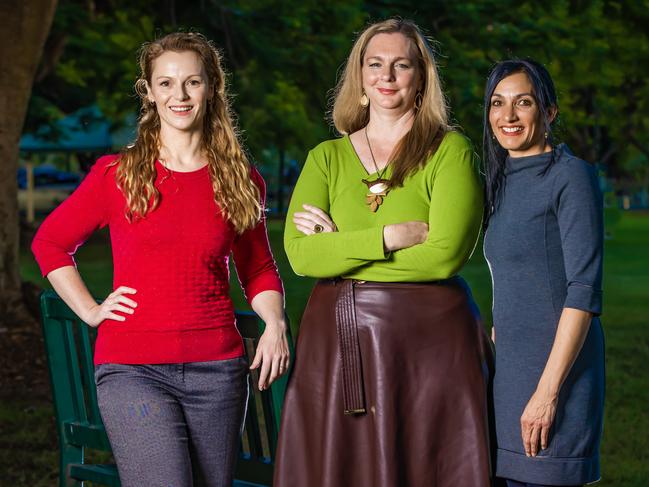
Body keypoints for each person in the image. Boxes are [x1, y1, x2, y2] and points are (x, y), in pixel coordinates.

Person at [31, 32, 290, 487]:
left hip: (217, 371)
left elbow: (258, 269)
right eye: (166, 83)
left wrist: (275, 324)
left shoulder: (240, 178)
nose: (180, 95)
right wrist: (92, 310)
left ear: (212, 87)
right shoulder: (118, 173)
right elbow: (49, 244)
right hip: (133, 369)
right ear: (148, 92)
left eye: (192, 82)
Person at [273, 19, 493, 487]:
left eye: (401, 65)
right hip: (337, 344)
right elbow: (301, 257)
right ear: (360, 76)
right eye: (375, 64)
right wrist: (388, 237)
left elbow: (443, 256)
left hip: (429, 350)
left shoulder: (450, 151)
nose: (386, 76)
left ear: (421, 77)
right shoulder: (325, 158)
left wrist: (341, 251)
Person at [482, 59, 604, 487]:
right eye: (498, 103)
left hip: (556, 376)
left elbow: (583, 291)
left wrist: (547, 393)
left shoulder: (571, 177)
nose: (508, 116)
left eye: (523, 102)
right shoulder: (500, 183)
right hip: (509, 376)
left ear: (549, 112)